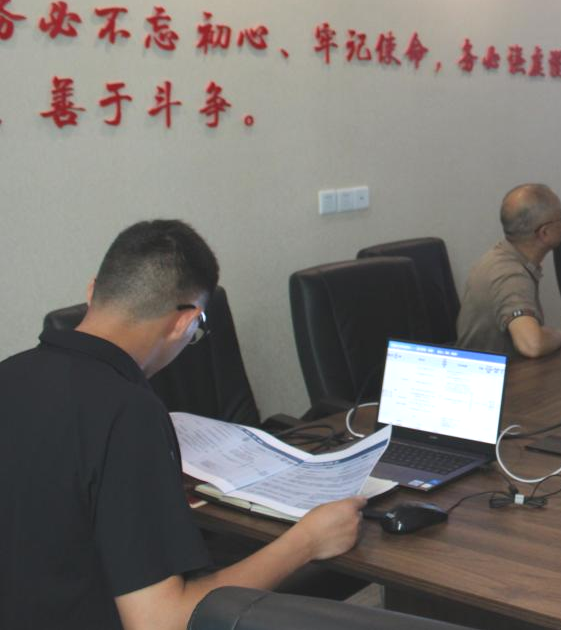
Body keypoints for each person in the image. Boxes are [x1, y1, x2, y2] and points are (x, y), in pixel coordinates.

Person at [0, 220, 366, 630]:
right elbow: (160, 621)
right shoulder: (127, 412)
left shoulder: (10, 374)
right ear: (184, 320)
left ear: (92, 291)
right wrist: (307, 542)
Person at [456, 183, 561, 358]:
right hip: (493, 374)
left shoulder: (500, 256)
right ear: (544, 233)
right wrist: (560, 335)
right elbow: (532, 345)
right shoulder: (511, 276)